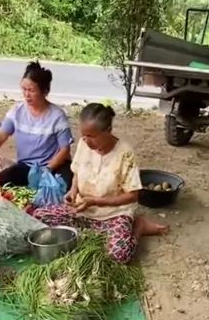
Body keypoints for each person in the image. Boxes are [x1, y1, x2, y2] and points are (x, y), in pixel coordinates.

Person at [34, 103, 166, 264]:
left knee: (119, 255)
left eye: (92, 136)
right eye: (84, 135)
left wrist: (96, 201)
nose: (86, 140)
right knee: (39, 216)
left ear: (108, 131)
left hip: (113, 214)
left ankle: (138, 227)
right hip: (82, 210)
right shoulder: (84, 144)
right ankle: (93, 233)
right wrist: (73, 191)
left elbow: (133, 196)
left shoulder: (125, 153)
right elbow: (77, 171)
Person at [0, 61, 74, 189]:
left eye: (31, 90)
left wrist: (47, 170)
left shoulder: (57, 116)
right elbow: (1, 135)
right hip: (28, 167)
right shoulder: (17, 111)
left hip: (53, 166)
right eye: (24, 89)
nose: (26, 95)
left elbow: (65, 150)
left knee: (60, 185)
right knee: (4, 180)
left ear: (45, 92)